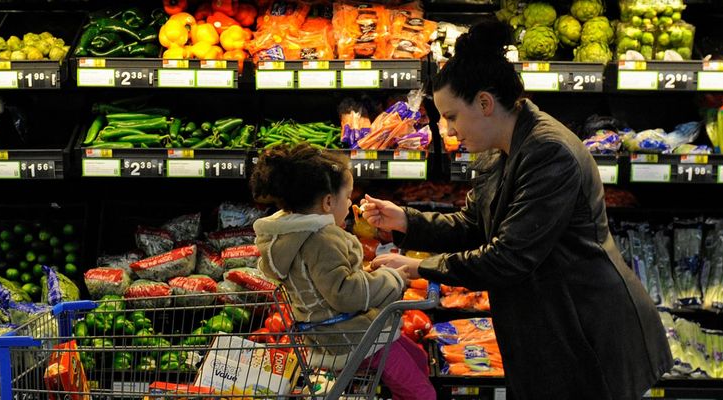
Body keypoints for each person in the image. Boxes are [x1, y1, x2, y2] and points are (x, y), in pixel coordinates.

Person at [362, 20, 671, 400]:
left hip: (586, 328)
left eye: (452, 116)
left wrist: (420, 267)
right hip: (550, 323)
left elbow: (509, 257)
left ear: (485, 103)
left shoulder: (548, 152)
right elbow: (475, 224)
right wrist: (406, 220)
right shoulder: (501, 148)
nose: (448, 129)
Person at [249, 143, 436, 400]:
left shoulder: (295, 236)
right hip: (352, 338)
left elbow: (326, 282)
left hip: (340, 333)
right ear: (328, 202)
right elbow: (344, 294)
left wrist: (368, 271)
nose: (350, 202)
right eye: (348, 195)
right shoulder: (322, 240)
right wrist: (391, 279)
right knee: (422, 394)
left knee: (418, 357)